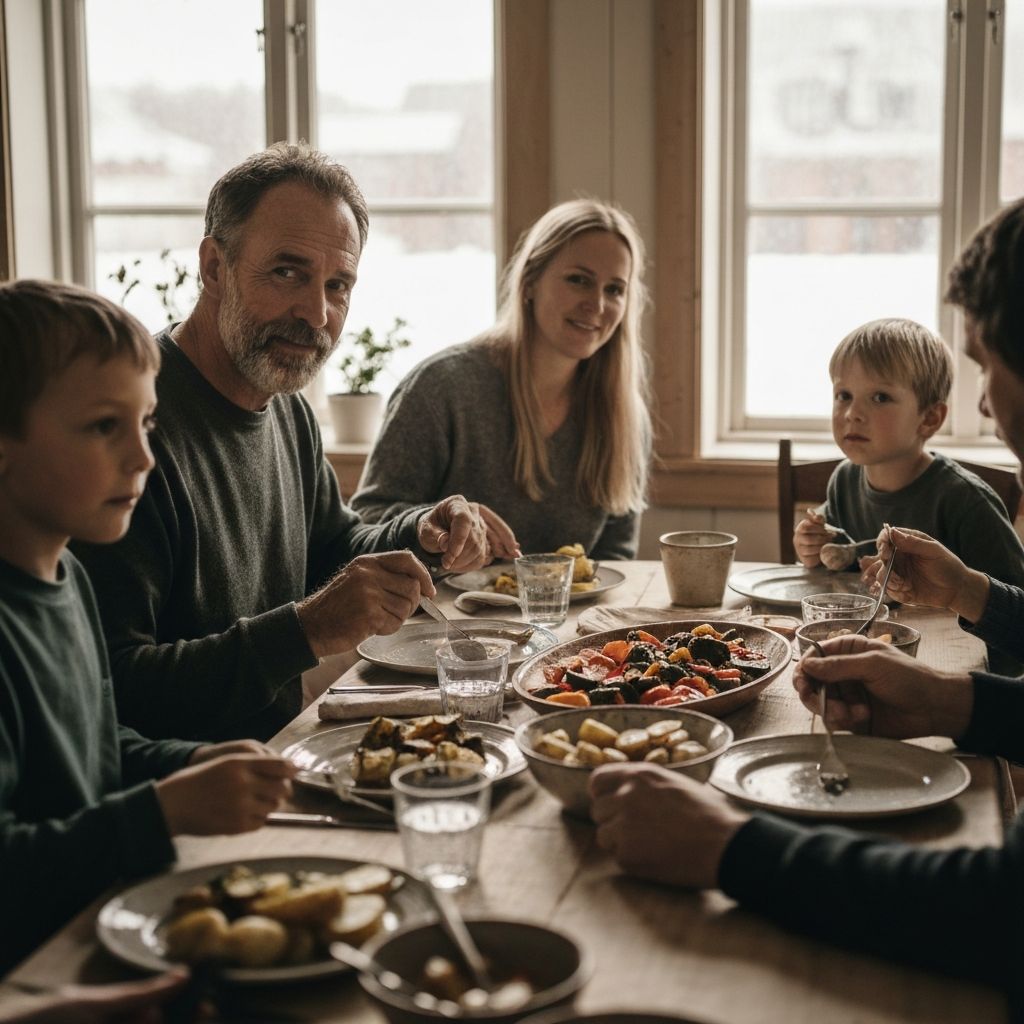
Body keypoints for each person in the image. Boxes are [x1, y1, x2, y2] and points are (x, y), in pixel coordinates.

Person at [589, 196, 1024, 1014]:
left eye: (988, 362)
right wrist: (951, 696)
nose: (989, 405)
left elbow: (1000, 911)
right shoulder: (845, 482)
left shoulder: (963, 497)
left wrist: (732, 847)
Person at [73, 144, 513, 744]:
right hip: (190, 789)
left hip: (283, 747)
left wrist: (419, 534)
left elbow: (333, 546)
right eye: (288, 272)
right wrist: (304, 631)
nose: (316, 312)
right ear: (213, 267)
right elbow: (118, 689)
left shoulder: (287, 409)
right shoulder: (130, 430)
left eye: (339, 285)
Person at [0, 280, 295, 975]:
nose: (143, 458)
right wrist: (160, 813)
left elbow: (94, 754)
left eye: (148, 424)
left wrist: (186, 763)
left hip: (91, 929)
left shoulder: (67, 579)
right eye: (106, 426)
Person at [350, 198, 651, 559]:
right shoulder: (443, 388)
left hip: (569, 617)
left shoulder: (624, 415)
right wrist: (439, 527)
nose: (597, 305)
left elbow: (615, 559)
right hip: (440, 613)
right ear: (530, 283)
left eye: (614, 289)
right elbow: (366, 523)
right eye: (578, 280)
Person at [793, 316, 1024, 593]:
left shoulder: (966, 502)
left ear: (929, 418)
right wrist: (811, 543)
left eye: (880, 397)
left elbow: (1015, 604)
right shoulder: (843, 480)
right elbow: (836, 547)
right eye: (843, 395)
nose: (852, 413)